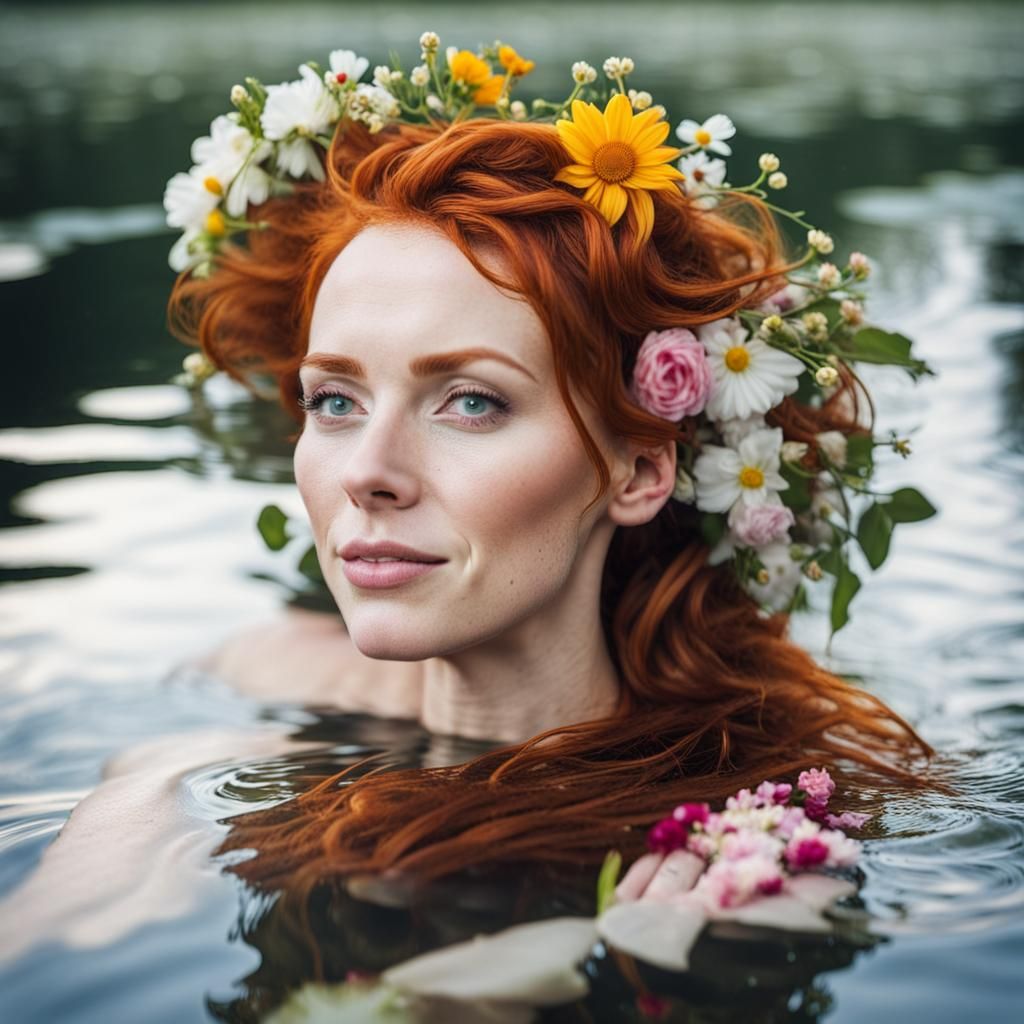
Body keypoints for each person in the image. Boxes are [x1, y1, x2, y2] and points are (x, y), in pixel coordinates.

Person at [2, 37, 934, 1007]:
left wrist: (591, 952)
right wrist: (146, 791)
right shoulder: (255, 696)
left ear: (639, 470)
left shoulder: (757, 837)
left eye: (471, 402)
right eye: (334, 400)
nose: (367, 472)